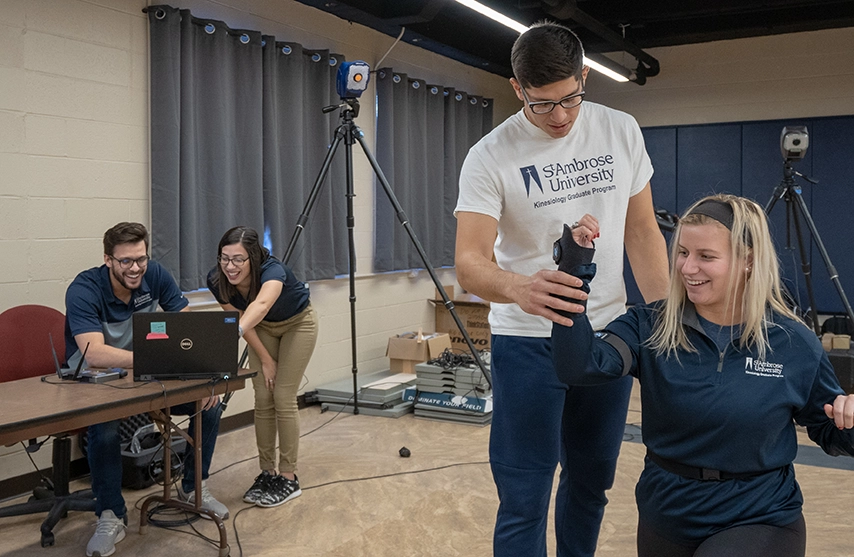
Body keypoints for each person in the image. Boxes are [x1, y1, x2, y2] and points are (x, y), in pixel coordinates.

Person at [454, 21, 670, 557]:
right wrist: (520, 287)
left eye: (571, 99)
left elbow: (643, 232)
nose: (561, 117)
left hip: (607, 338)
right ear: (518, 88)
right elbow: (469, 262)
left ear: (585, 77)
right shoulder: (489, 155)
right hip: (528, 342)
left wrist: (668, 318)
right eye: (542, 104)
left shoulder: (620, 130)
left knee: (591, 484)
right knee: (524, 496)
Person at [552, 194, 854, 557]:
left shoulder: (793, 343)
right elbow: (580, 364)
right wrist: (572, 274)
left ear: (747, 260)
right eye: (682, 253)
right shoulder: (650, 325)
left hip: (758, 515)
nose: (687, 268)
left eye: (706, 257)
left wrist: (848, 423)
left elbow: (829, 431)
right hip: (667, 513)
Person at [65, 222, 228, 557]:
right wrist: (150, 358)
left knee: (209, 403)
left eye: (140, 258)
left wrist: (201, 376)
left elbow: (185, 327)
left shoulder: (154, 274)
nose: (136, 268)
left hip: (145, 375)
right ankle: (111, 514)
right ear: (108, 259)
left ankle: (194, 487)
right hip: (99, 382)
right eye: (125, 261)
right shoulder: (84, 288)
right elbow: (93, 353)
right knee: (105, 428)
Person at [207, 226, 318, 508]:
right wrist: (266, 360)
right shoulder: (216, 279)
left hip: (298, 324)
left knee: (283, 396)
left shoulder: (273, 271)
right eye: (224, 258)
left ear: (253, 259)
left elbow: (263, 304)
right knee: (263, 398)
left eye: (238, 260)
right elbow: (241, 318)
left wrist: (233, 333)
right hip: (260, 329)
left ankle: (288, 476)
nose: (229, 267)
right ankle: (267, 472)